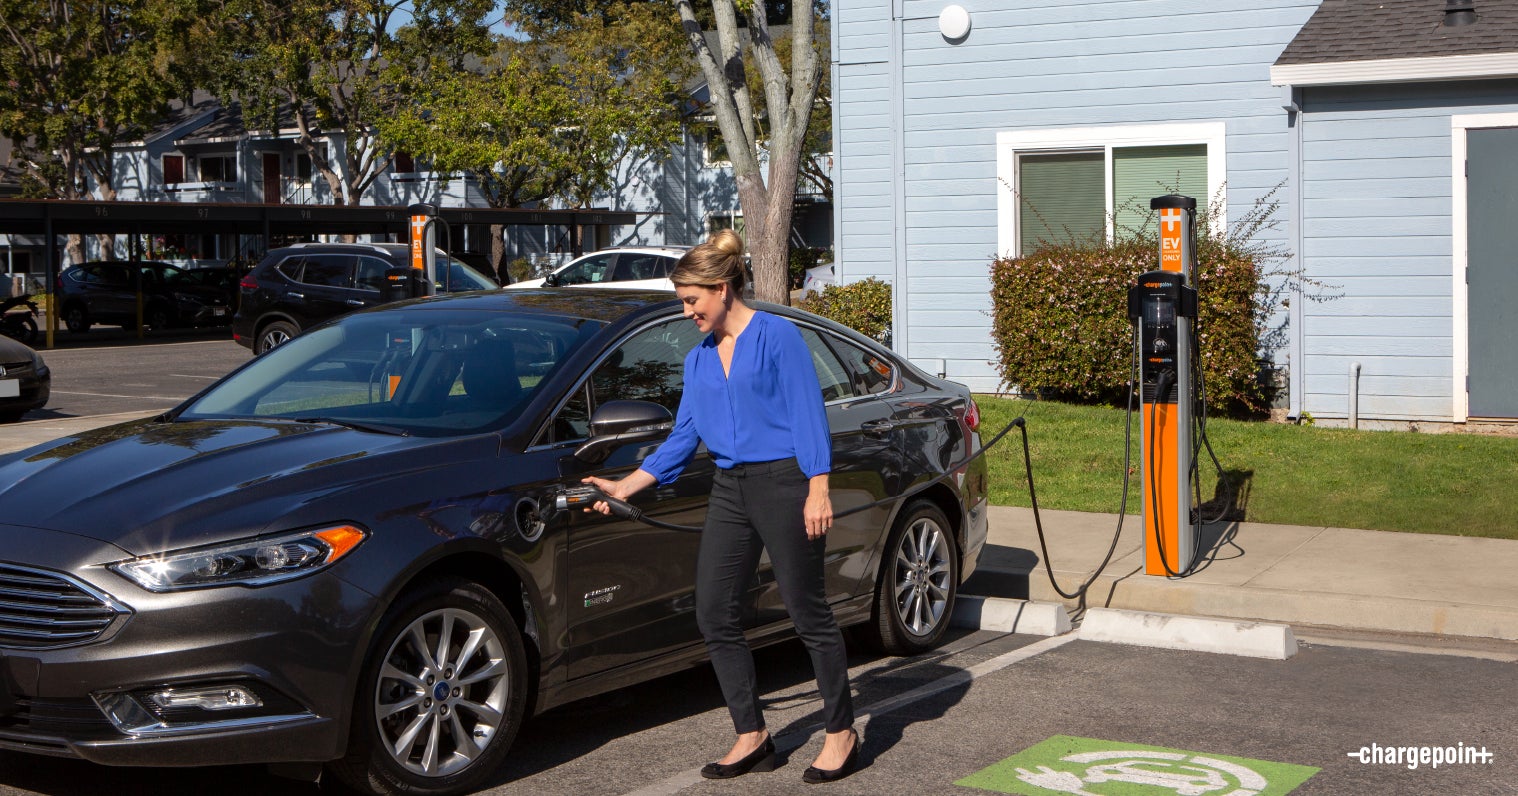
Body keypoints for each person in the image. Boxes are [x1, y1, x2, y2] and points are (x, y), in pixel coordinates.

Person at [583, 229, 859, 784]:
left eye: (692, 300)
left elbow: (809, 413)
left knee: (807, 612)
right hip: (731, 489)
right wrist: (627, 486)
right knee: (714, 612)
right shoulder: (700, 360)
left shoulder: (777, 337)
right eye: (683, 301)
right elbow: (684, 436)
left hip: (786, 483)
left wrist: (818, 487)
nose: (687, 312)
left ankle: (840, 732)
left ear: (723, 289)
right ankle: (753, 733)